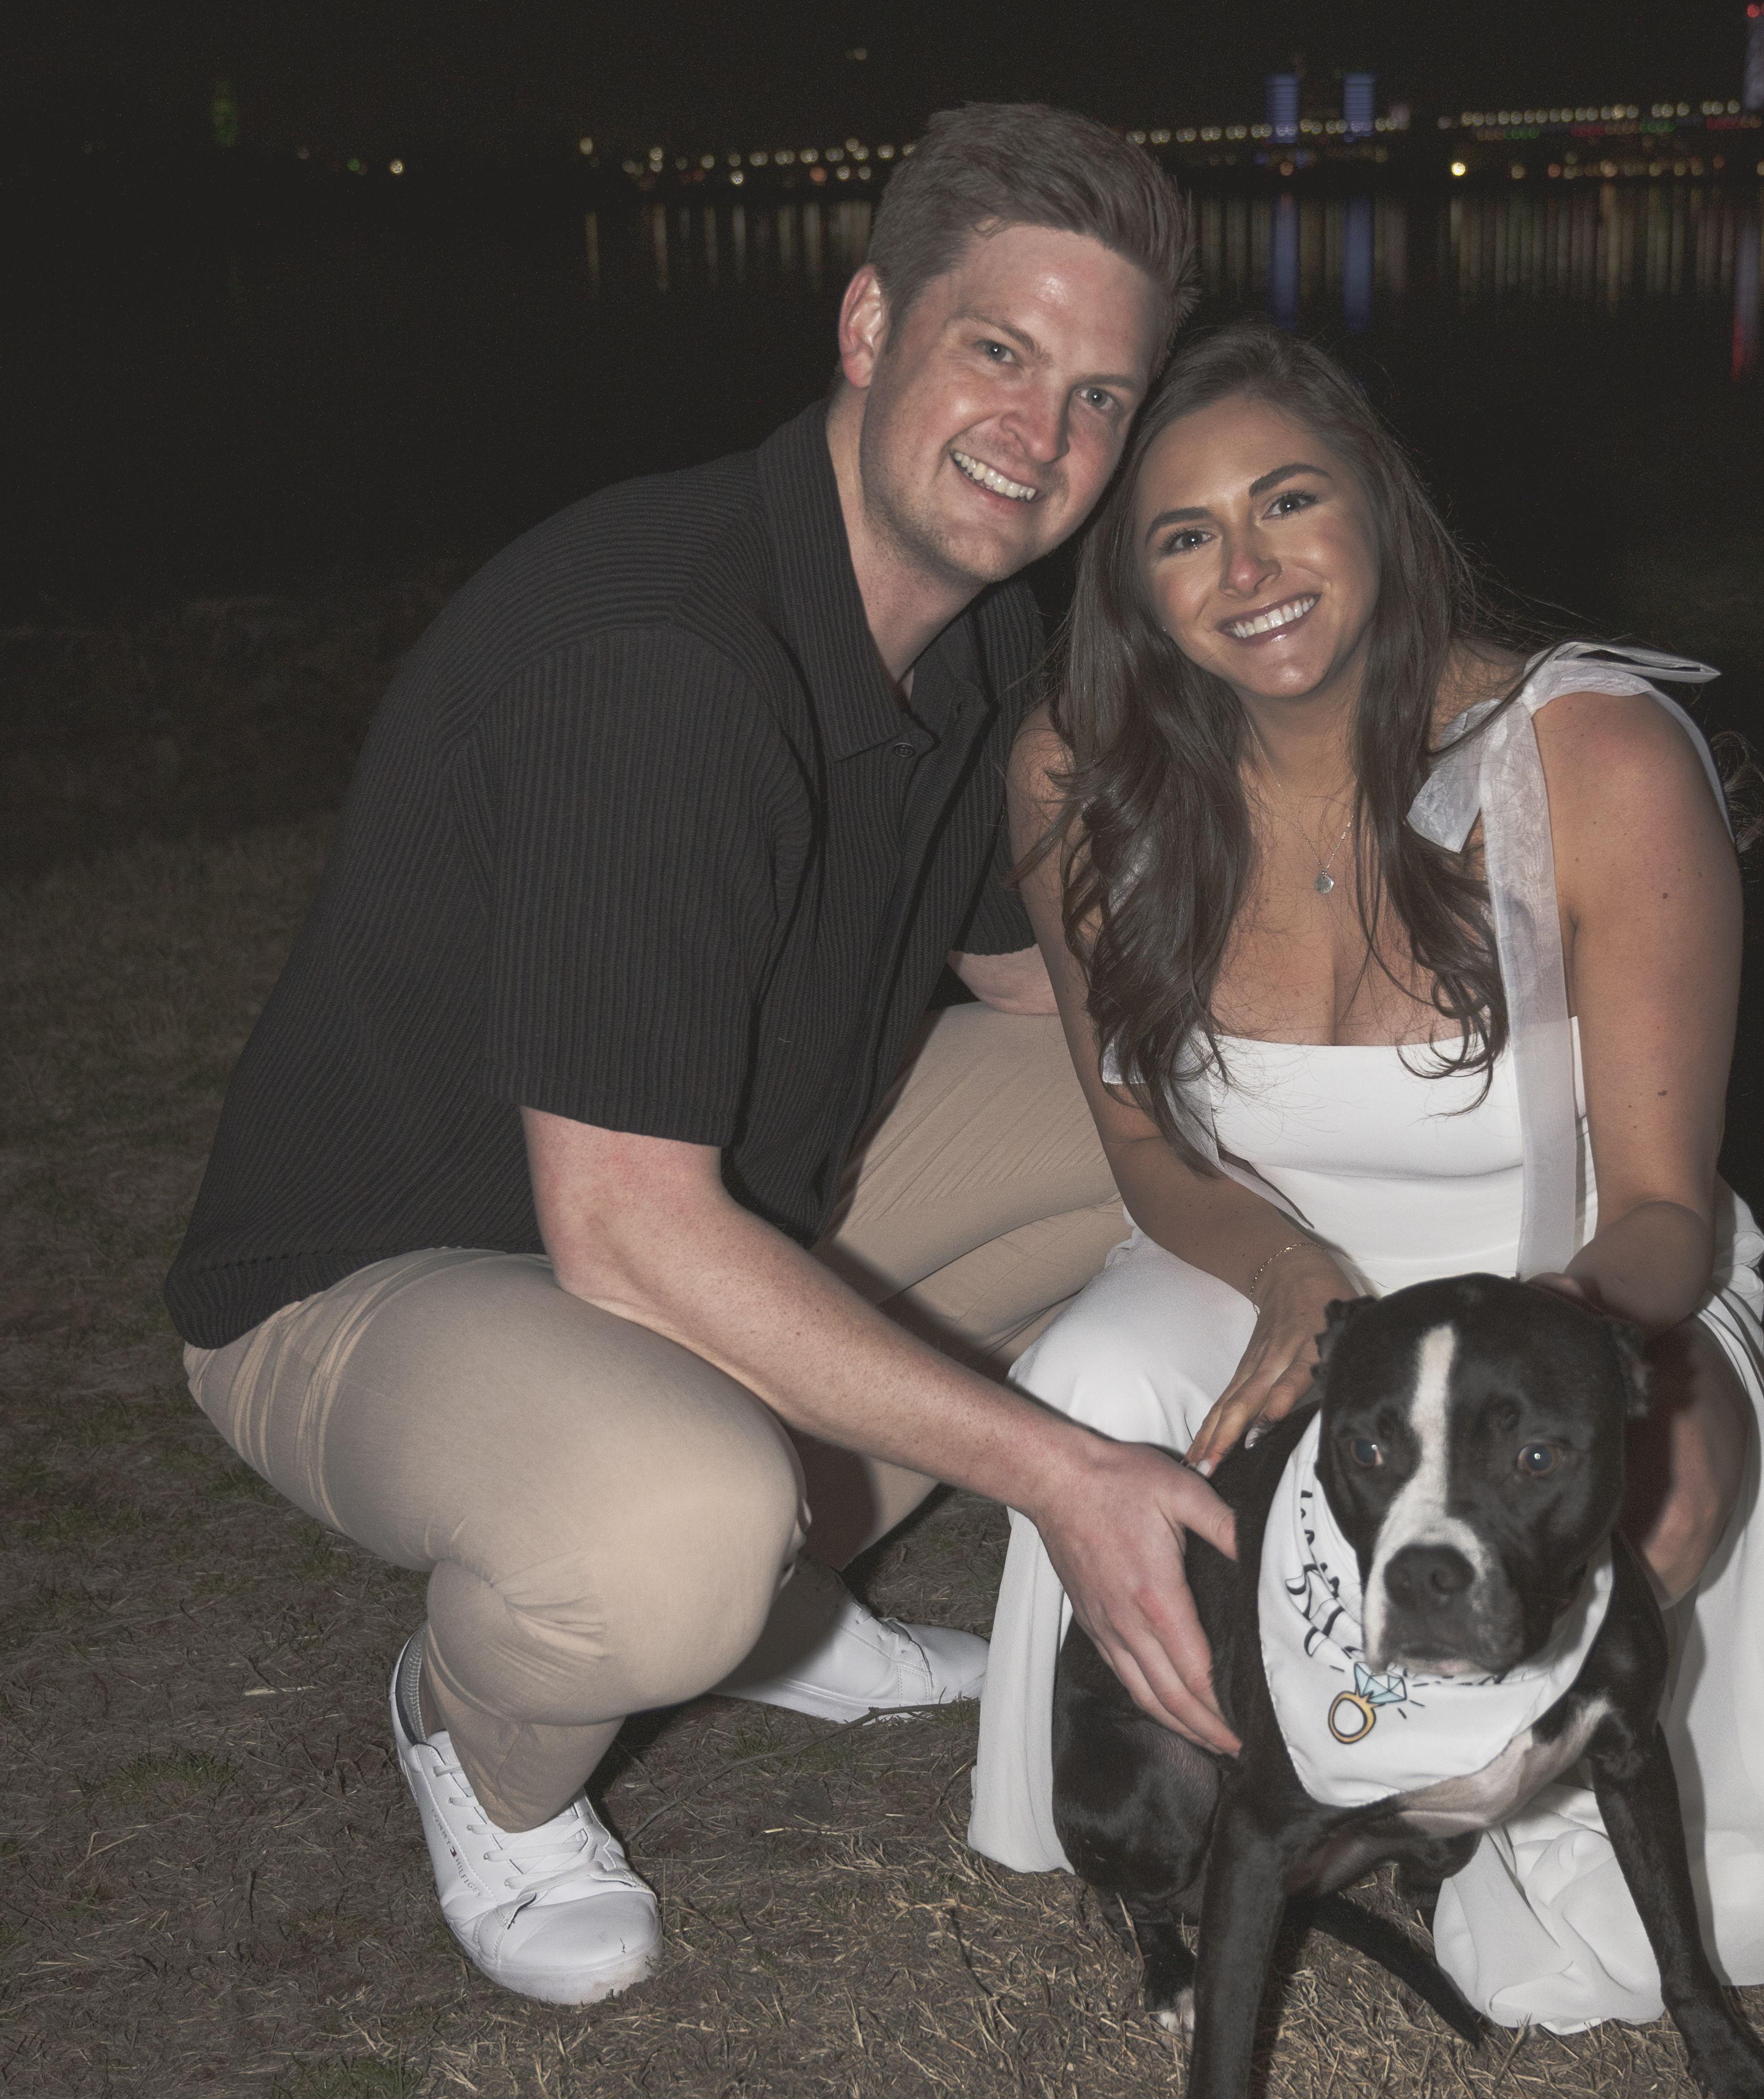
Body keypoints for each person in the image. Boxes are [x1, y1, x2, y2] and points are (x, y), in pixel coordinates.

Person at [163, 104, 1245, 2010]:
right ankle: (480, 1743)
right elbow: (628, 1236)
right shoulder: (665, 657)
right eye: (998, 351)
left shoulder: (976, 643)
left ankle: (777, 1608)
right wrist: (1065, 1477)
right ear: (869, 327)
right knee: (671, 1531)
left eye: (1098, 395)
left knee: (1184, 1125)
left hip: (703, 1200)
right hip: (380, 1273)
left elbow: (1038, 1002)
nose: (1043, 434)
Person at [969, 319, 1764, 2032]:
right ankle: (1205, 1773)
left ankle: (1493, 1795)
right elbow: (1144, 1145)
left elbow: (1663, 1209)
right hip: (1259, 1258)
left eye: (1289, 501)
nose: (1249, 571)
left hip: (1582, 1282)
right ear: (1134, 585)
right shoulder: (1081, 775)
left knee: (1685, 1895)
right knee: (1089, 1379)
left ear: (1379, 503)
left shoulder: (1593, 756)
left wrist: (1565, 1346)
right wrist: (1291, 1275)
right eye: (1185, 534)